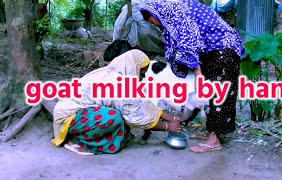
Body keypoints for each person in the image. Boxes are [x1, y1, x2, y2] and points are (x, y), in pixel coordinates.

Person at [140, 0, 245, 153]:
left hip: (223, 48)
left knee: (217, 94)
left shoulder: (178, 14)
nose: (153, 24)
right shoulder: (175, 12)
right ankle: (213, 132)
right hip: (214, 50)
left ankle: (213, 140)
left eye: (151, 21)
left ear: (157, 13)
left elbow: (190, 42)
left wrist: (197, 73)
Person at [52, 49, 182, 155]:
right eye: (142, 73)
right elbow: (134, 118)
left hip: (79, 113)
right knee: (113, 117)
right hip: (69, 118)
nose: (144, 77)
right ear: (133, 68)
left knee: (119, 115)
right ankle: (75, 140)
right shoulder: (120, 84)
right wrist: (167, 127)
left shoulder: (113, 74)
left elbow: (141, 102)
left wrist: (172, 118)